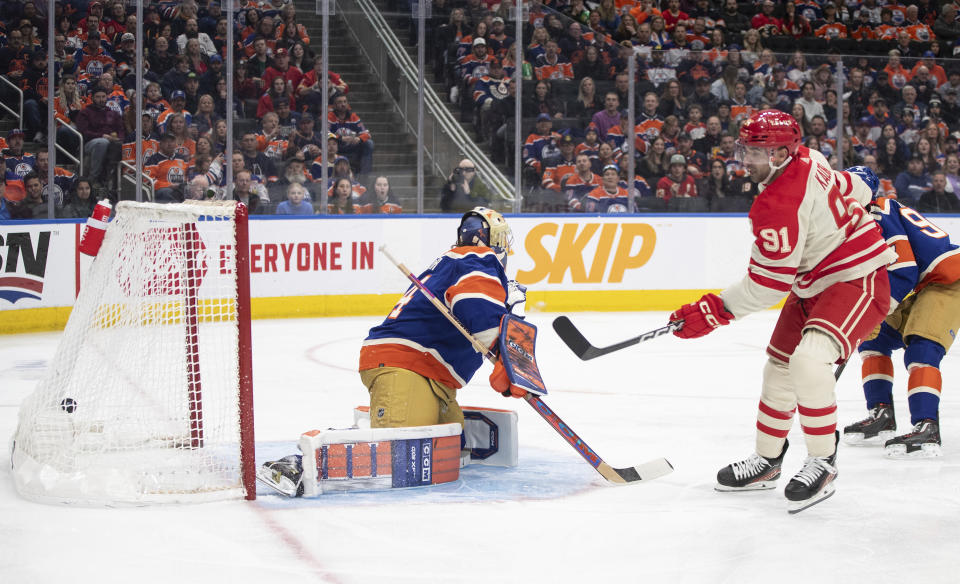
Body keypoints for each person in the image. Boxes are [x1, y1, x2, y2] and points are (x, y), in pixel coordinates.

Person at [668, 110, 897, 513]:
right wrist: (867, 180)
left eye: (753, 151)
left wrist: (712, 311)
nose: (744, 158)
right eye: (745, 148)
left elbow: (767, 287)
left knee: (808, 363)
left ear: (779, 154)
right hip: (813, 283)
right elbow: (851, 183)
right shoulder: (810, 158)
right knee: (778, 368)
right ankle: (768, 462)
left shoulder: (777, 204)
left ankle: (823, 461)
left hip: (856, 278)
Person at [842, 166, 960, 458]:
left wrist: (875, 313)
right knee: (874, 342)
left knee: (921, 349)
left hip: (948, 278)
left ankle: (926, 426)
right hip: (920, 284)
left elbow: (904, 271)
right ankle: (882, 414)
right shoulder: (858, 220)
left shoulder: (877, 213)